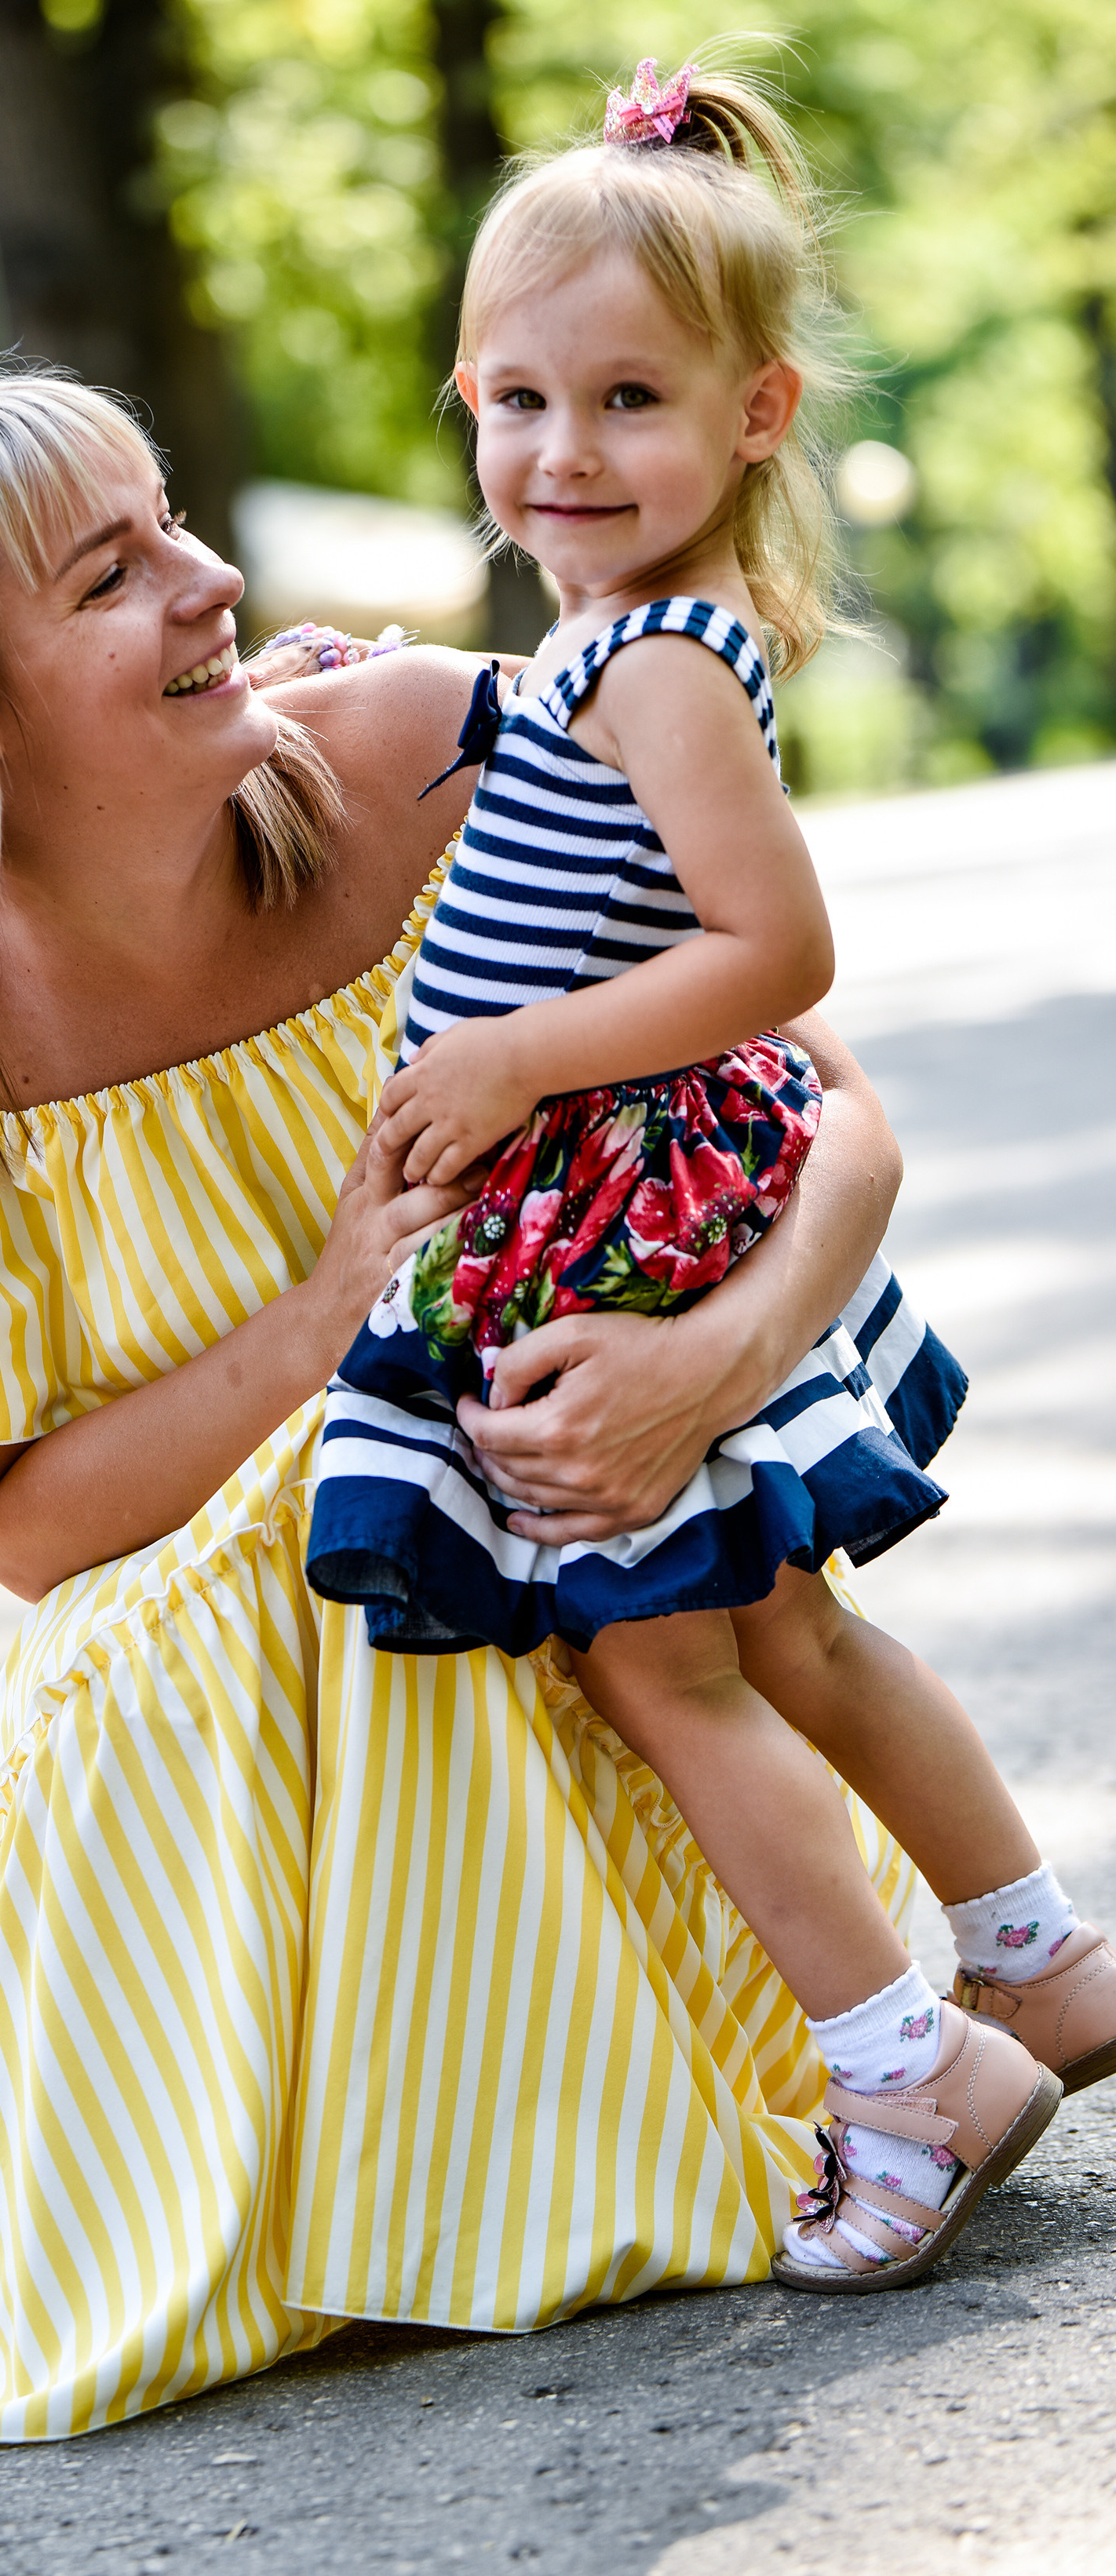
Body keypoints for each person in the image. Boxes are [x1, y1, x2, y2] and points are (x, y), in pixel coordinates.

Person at [0, 359, 1105, 2449]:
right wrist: (338, 1306)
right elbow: (25, 1527)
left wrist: (711, 1361)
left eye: (172, 522)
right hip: (294, 1594)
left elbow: (828, 1106)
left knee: (463, 1494)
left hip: (605, 1504)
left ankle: (907, 2020)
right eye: (112, 575)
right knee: (325, 1524)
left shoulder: (433, 751)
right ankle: (481, 2133)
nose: (206, 579)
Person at [308, 61, 1115, 2291]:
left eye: (629, 400)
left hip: (612, 1210)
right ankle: (1036, 1959)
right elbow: (520, 768)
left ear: (756, 415)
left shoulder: (666, 657)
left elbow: (778, 954)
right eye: (517, 398)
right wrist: (355, 681)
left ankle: (905, 2075)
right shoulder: (600, 648)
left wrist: (500, 1061)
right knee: (778, 1626)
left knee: (661, 1671)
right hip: (625, 1184)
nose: (562, 453)